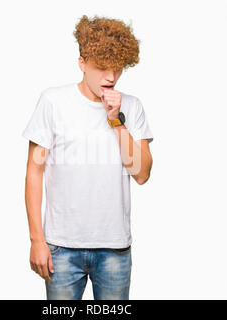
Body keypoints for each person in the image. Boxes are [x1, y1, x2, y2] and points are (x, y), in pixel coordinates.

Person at [22, 14, 154, 300]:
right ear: (82, 63)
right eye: (101, 67)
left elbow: (141, 174)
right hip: (62, 248)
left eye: (117, 68)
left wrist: (116, 121)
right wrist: (36, 240)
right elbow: (34, 172)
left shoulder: (131, 107)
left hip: (114, 250)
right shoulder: (52, 102)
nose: (111, 76)